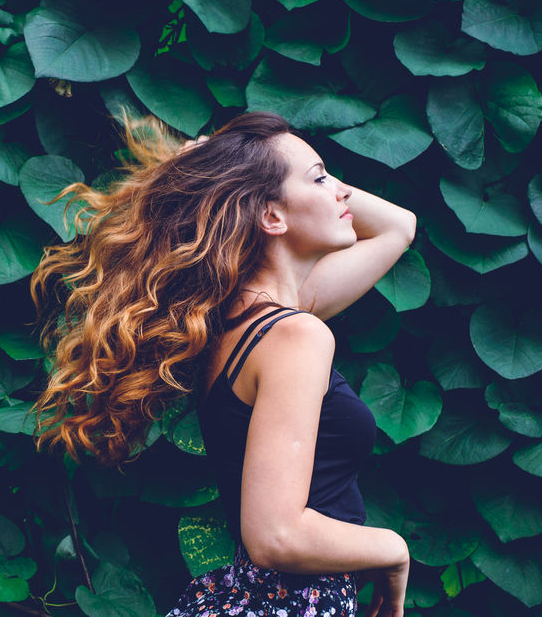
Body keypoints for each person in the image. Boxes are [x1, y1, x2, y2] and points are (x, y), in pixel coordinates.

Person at [29, 111, 415, 617]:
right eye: (321, 178)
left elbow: (398, 227)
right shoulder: (293, 334)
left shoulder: (244, 322)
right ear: (271, 217)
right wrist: (393, 549)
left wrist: (238, 162)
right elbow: (276, 536)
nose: (342, 191)